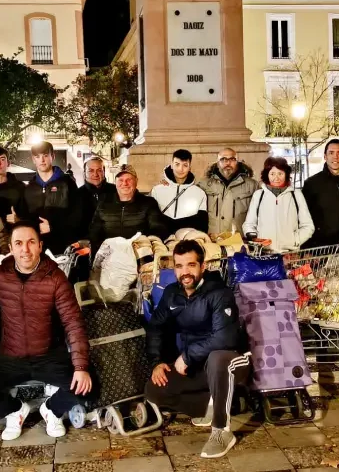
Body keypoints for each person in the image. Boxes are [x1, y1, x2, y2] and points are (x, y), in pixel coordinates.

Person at [0, 221, 92, 441]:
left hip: (48, 355)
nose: (25, 249)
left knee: (89, 386)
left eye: (31, 242)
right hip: (10, 356)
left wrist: (80, 366)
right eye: (19, 243)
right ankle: (14, 410)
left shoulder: (55, 277)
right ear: (11, 248)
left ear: (40, 246)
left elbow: (73, 322)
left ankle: (52, 410)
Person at [144, 240, 248, 459]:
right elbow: (156, 327)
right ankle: (217, 401)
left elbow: (225, 339)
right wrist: (157, 362)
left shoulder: (220, 293)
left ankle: (222, 431)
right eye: (179, 266)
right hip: (197, 366)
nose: (185, 272)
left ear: (203, 266)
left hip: (233, 361)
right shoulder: (172, 293)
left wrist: (188, 356)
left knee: (218, 359)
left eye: (191, 265)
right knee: (154, 390)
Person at [88, 164, 168, 256]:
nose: (125, 184)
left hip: (138, 256)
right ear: (115, 183)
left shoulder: (148, 203)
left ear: (136, 181)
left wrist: (141, 245)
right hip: (109, 256)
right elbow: (94, 231)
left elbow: (158, 228)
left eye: (129, 180)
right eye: (121, 180)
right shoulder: (104, 203)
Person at [242, 157, 314, 252]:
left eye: (280, 173)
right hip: (264, 253)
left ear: (286, 174)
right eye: (272, 174)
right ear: (267, 175)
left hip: (289, 254)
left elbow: (308, 226)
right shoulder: (259, 195)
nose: (276, 178)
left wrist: (295, 241)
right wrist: (254, 238)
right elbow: (249, 224)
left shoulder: (296, 194)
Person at [301, 139, 339, 247]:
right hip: (320, 247)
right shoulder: (311, 184)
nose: (335, 157)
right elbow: (303, 218)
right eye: (331, 153)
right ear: (325, 156)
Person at [22, 141, 80, 256]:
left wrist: (53, 227)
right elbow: (27, 217)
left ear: (52, 156)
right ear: (33, 160)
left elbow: (77, 216)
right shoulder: (30, 188)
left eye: (45, 156)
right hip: (37, 249)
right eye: (38, 157)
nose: (42, 160)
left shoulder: (67, 183)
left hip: (63, 248)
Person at [198, 148, 259, 238]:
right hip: (212, 239)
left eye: (232, 159)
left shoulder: (252, 185)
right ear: (217, 163)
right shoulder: (204, 185)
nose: (228, 163)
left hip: (239, 240)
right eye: (223, 159)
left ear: (237, 162)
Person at [150, 149, 208, 234]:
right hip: (161, 238)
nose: (180, 169)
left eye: (185, 165)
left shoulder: (199, 193)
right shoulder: (157, 190)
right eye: (177, 164)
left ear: (190, 167)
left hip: (187, 240)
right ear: (172, 165)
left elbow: (202, 225)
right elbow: (151, 220)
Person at [0, 146, 28, 229]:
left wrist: (18, 220)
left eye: (2, 159)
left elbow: (28, 217)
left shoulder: (20, 187)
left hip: (13, 234)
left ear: (8, 163)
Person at [77, 156, 116, 239]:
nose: (95, 174)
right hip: (86, 244)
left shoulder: (116, 191)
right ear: (84, 173)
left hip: (113, 241)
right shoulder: (76, 194)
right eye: (91, 170)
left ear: (104, 172)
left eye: (99, 170)